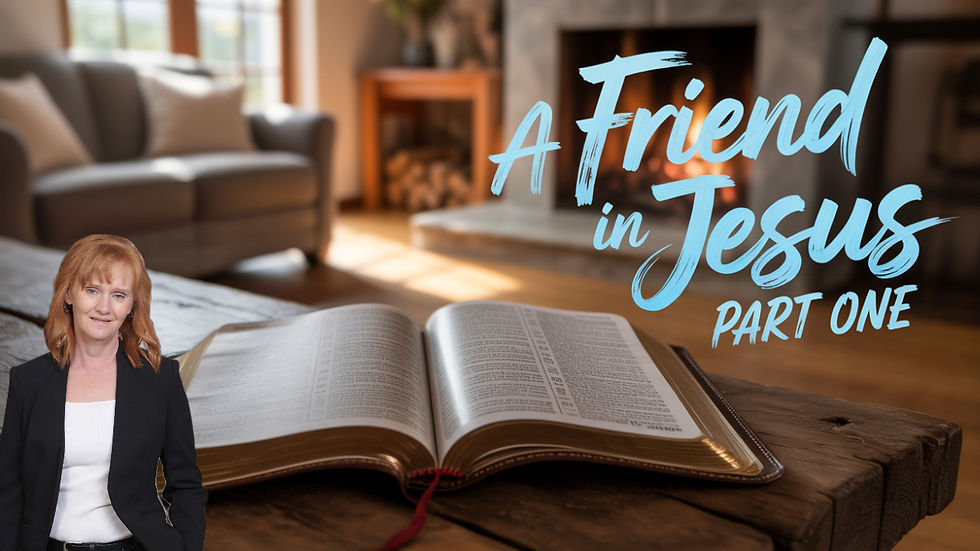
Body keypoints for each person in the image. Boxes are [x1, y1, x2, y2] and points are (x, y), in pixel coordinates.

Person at [0, 235, 207, 551]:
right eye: (92, 290)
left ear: (132, 304)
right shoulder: (28, 381)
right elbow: (8, 491)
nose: (104, 307)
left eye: (118, 295)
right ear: (69, 294)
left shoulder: (160, 378)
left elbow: (186, 483)